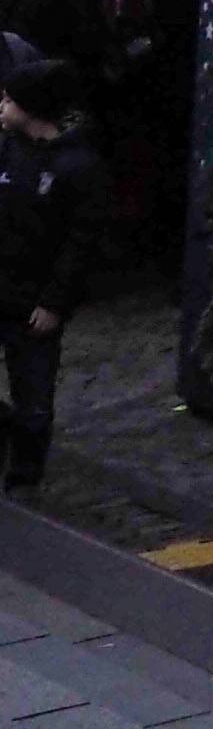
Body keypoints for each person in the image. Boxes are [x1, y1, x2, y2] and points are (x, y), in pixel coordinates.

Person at [0, 55, 101, 492]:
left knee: (34, 395)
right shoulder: (7, 150)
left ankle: (25, 475)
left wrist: (54, 302)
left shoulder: (76, 168)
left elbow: (81, 244)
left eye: (8, 100)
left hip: (33, 301)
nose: (1, 106)